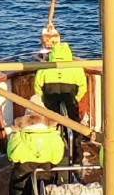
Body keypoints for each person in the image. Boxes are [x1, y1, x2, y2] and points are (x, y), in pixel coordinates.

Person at [34, 29, 87, 161]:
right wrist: (77, 98)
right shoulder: (76, 67)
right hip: (70, 98)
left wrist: (43, 99)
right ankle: (77, 157)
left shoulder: (45, 67)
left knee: (51, 125)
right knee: (74, 126)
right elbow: (83, 86)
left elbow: (37, 86)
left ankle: (53, 154)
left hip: (50, 98)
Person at [5, 113, 66, 195]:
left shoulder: (19, 134)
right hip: (46, 168)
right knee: (47, 193)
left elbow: (11, 155)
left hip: (24, 167)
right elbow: (58, 156)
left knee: (17, 192)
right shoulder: (53, 135)